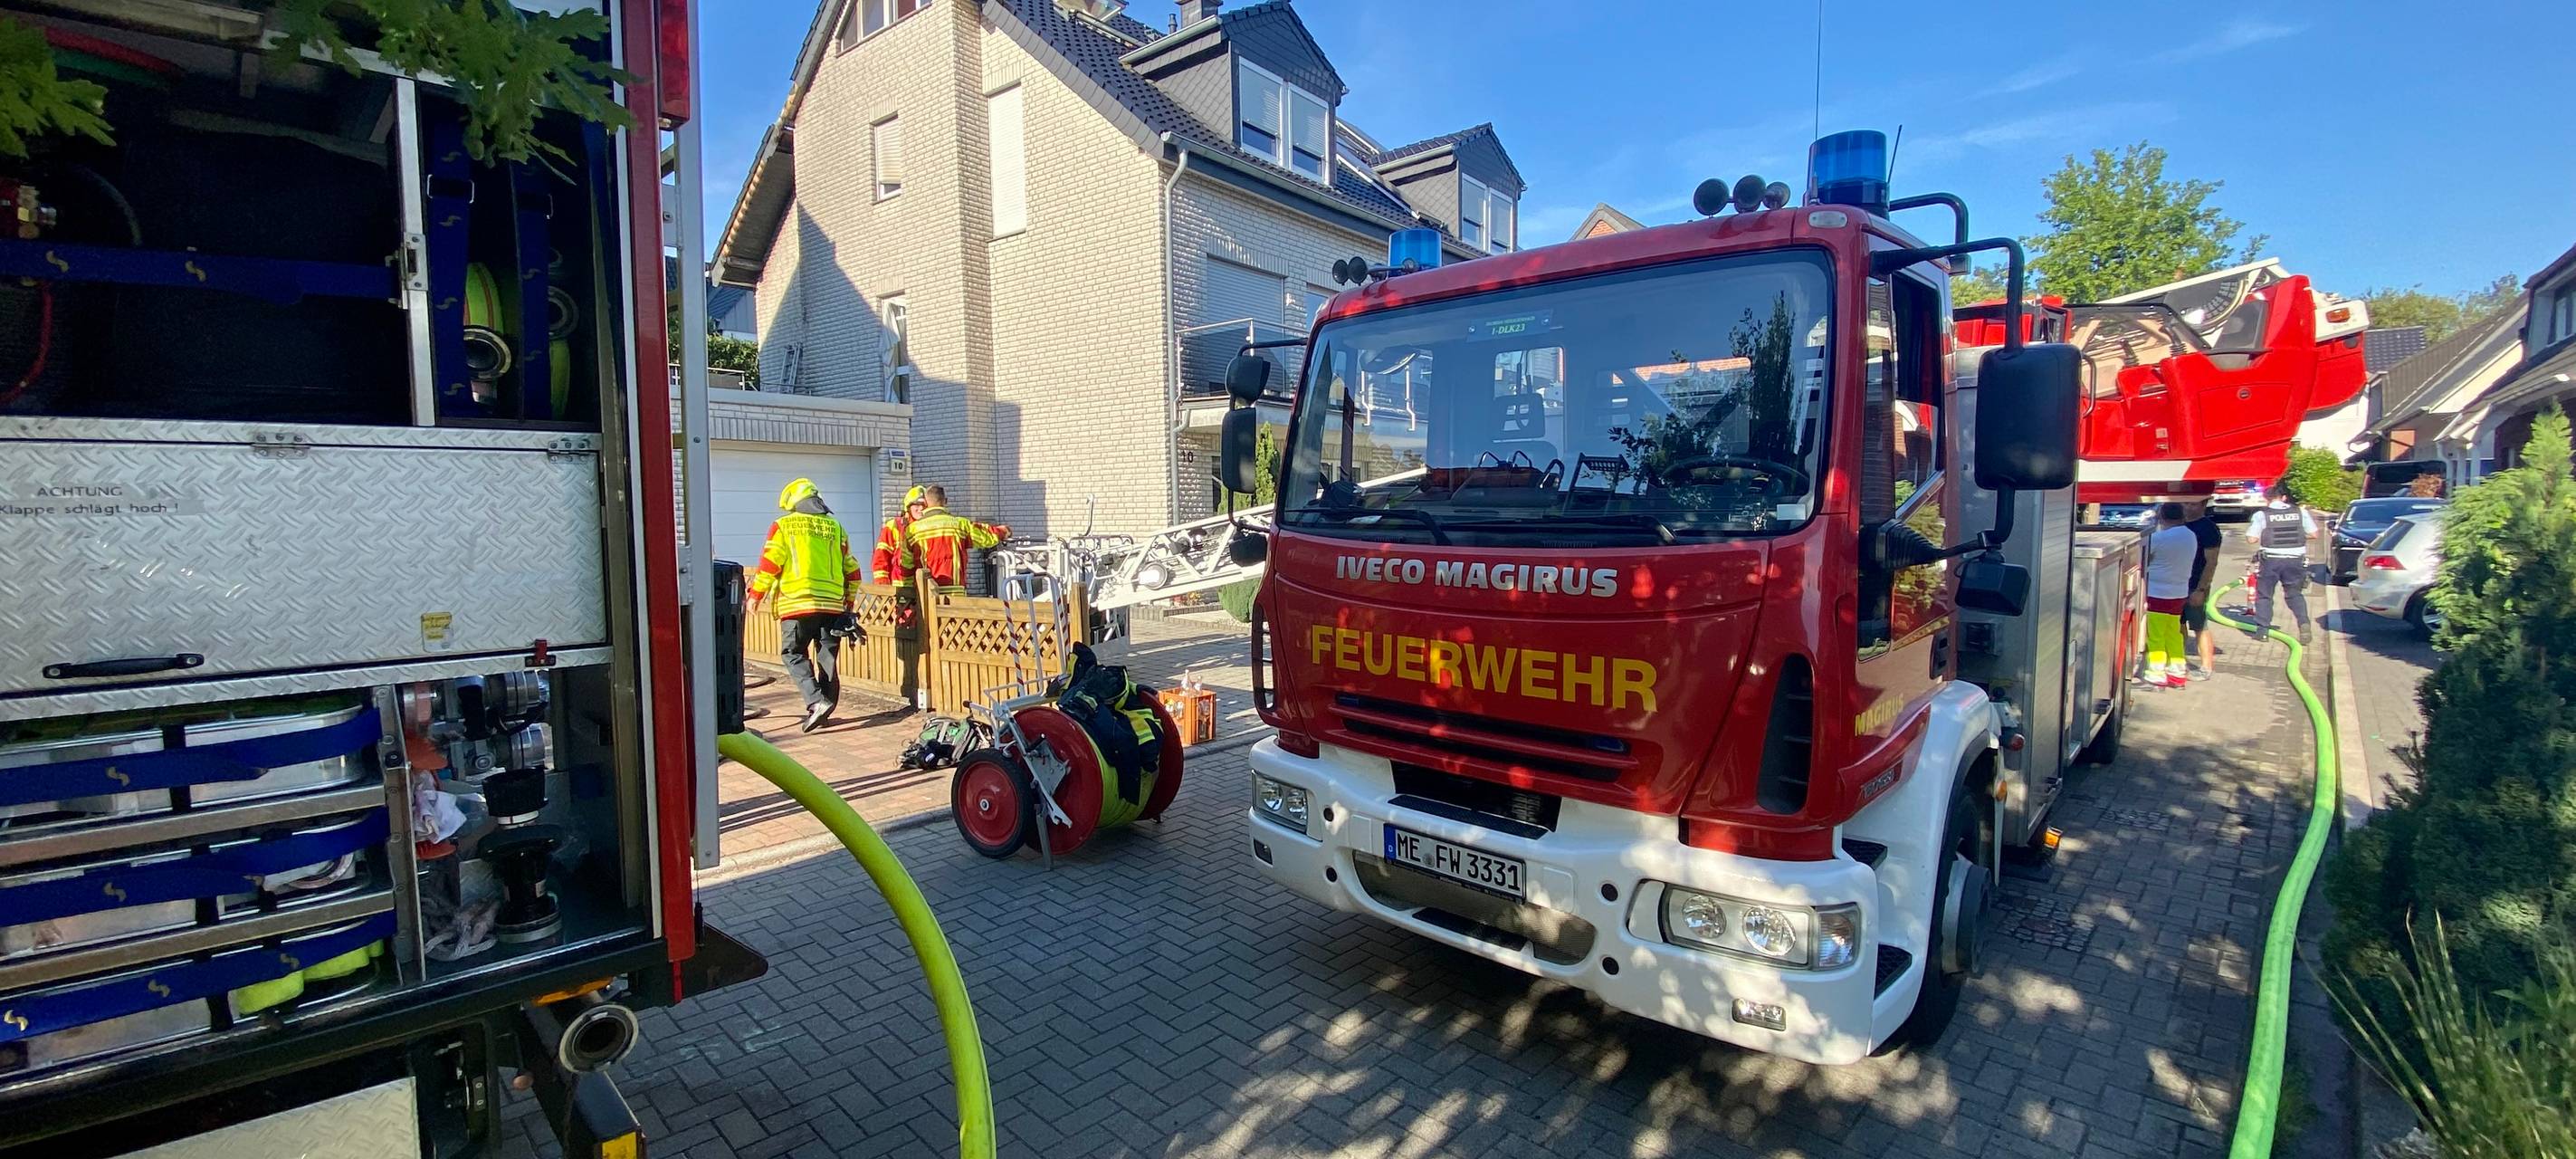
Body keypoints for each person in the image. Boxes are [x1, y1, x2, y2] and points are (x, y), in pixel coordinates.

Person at [748, 477, 863, 732]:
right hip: (832, 606)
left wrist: (756, 595)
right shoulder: (835, 527)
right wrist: (849, 602)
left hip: (796, 604)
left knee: (793, 654)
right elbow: (852, 570)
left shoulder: (783, 526)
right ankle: (824, 710)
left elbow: (771, 564)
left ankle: (816, 702)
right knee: (827, 659)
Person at [2244, 481, 2318, 641]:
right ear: (2283, 497)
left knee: (2264, 596)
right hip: (2295, 560)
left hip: (2271, 561)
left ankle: (2263, 631)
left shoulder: (2261, 515)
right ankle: (2304, 624)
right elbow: (2314, 534)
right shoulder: (2300, 512)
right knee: (2294, 594)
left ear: (2266, 499)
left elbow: (2251, 539)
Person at [901, 484, 1010, 593]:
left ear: (926, 503)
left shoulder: (912, 530)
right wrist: (1004, 531)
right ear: (945, 501)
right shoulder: (960, 525)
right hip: (955, 593)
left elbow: (906, 566)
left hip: (926, 594)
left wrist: (908, 591)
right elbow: (985, 535)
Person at [2140, 503, 2199, 688]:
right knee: (2173, 633)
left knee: (2155, 635)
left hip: (2157, 593)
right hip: (2179, 592)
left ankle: (2156, 672)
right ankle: (2177, 671)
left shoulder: (2158, 538)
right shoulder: (2191, 535)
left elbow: (2144, 557)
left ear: (2161, 517)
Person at [2182, 501, 2225, 679]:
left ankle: (2206, 667)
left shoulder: (2208, 529)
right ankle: (2179, 661)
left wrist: (2201, 588)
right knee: (2178, 625)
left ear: (2203, 505)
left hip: (2196, 585)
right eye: (2186, 504)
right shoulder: (2181, 525)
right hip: (2179, 584)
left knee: (2199, 626)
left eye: (2193, 504)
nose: (2187, 507)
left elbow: (2211, 561)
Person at [872, 484, 927, 583]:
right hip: (900, 587)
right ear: (908, 507)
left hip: (924, 587)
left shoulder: (929, 527)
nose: (921, 508)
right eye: (917, 505)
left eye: (924, 505)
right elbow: (880, 559)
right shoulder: (894, 526)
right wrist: (882, 586)